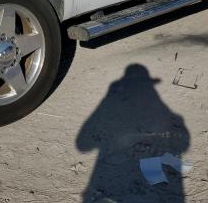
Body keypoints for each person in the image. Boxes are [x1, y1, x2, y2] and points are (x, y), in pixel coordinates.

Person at [76, 64, 190, 202]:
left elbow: (83, 145)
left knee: (152, 160)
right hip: (141, 162)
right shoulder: (161, 113)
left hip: (139, 162)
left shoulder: (126, 111)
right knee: (153, 161)